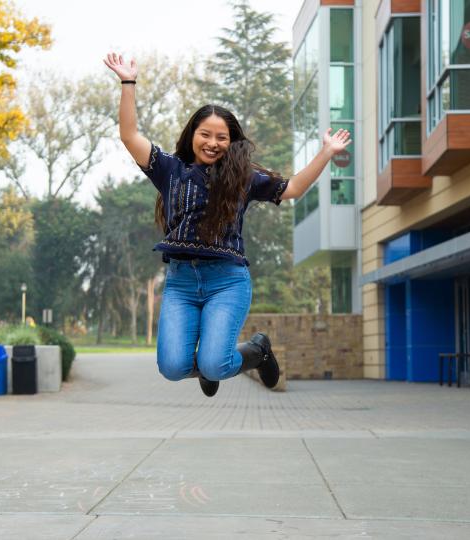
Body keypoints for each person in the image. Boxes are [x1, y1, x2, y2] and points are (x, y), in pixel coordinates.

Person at [103, 53, 351, 397]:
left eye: (222, 137)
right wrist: (128, 83)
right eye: (206, 134)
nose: (213, 143)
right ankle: (211, 364)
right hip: (181, 283)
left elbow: (292, 188)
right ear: (193, 135)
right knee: (172, 368)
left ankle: (256, 351)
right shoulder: (169, 170)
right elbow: (129, 135)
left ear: (231, 141)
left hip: (227, 282)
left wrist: (326, 152)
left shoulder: (243, 178)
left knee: (214, 364)